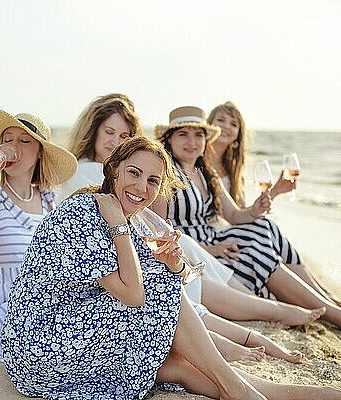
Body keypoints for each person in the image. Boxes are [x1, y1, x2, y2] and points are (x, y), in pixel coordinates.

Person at [2, 136, 341, 400]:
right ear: (112, 170)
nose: (141, 186)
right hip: (38, 345)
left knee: (175, 365)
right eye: (133, 173)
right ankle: (238, 390)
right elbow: (136, 294)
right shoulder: (85, 213)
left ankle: (269, 392)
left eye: (152, 180)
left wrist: (174, 262)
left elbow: (179, 278)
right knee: (161, 296)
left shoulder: (133, 219)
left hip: (72, 331)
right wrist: (121, 231)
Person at [58, 94, 321, 363]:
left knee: (258, 231)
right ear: (93, 132)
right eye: (109, 132)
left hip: (144, 254)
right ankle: (275, 311)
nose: (116, 142)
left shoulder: (137, 171)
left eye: (124, 136)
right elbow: (132, 222)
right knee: (188, 265)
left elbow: (149, 218)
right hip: (123, 262)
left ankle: (302, 303)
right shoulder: (90, 172)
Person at [154, 106, 341, 339]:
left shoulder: (206, 173)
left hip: (214, 242)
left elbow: (235, 216)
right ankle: (336, 315)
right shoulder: (164, 173)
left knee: (262, 226)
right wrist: (211, 249)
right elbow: (161, 230)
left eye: (198, 135)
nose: (191, 142)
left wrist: (256, 209)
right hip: (194, 251)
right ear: (169, 138)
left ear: (206, 139)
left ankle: (328, 305)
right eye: (183, 134)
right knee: (256, 243)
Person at [207, 101, 341, 314]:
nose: (226, 127)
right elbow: (235, 217)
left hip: (232, 228)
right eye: (221, 120)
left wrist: (276, 191)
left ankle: (326, 297)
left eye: (234, 124)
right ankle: (325, 303)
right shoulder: (199, 159)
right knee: (263, 227)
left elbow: (242, 212)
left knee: (266, 224)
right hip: (215, 234)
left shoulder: (232, 168)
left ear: (239, 133)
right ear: (209, 125)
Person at [0, 108, 78, 362]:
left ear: (40, 154)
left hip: (40, 310)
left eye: (24, 141)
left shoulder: (48, 202)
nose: (13, 147)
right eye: (7, 139)